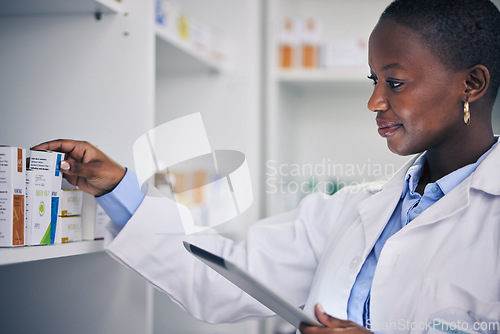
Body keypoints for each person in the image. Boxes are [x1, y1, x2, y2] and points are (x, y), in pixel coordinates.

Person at [33, 0, 500, 332]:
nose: (374, 100)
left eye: (394, 82)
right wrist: (118, 190)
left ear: (472, 84)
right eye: (373, 80)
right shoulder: (353, 211)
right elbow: (224, 277)